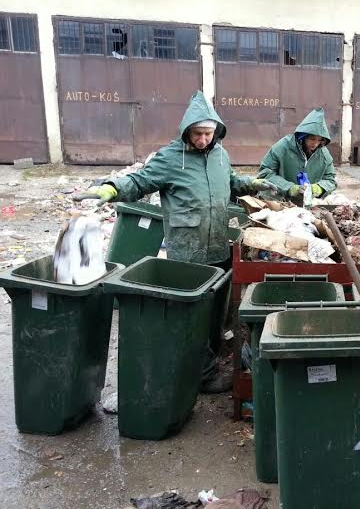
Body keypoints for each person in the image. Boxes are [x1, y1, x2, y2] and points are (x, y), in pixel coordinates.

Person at [73, 90, 275, 393]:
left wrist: (252, 183)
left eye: (208, 133)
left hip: (218, 247)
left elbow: (230, 181)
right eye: (197, 133)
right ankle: (203, 376)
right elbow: (140, 181)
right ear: (186, 131)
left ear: (217, 131)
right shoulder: (170, 158)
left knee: (212, 317)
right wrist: (113, 188)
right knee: (191, 318)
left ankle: (208, 356)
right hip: (187, 253)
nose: (203, 139)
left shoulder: (221, 155)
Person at [258, 108, 336, 202]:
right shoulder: (283, 147)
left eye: (319, 140)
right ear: (302, 136)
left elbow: (330, 180)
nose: (315, 143)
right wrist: (289, 188)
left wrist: (319, 188)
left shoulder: (324, 155)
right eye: (312, 139)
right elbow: (265, 173)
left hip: (307, 203)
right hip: (277, 199)